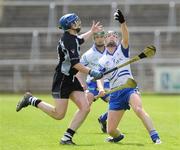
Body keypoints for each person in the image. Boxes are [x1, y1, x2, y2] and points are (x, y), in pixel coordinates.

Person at [16, 13, 104, 145]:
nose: (78, 23)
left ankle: (67, 137)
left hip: (71, 78)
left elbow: (80, 39)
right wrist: (92, 72)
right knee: (59, 115)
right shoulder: (68, 40)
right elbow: (76, 64)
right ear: (70, 26)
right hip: (62, 79)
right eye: (75, 22)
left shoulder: (72, 37)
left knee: (85, 107)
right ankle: (31, 99)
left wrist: (91, 32)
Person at [97, 9, 161, 144]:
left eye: (115, 35)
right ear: (104, 40)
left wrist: (122, 23)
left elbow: (125, 36)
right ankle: (118, 137)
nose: (112, 37)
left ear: (117, 39)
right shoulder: (102, 60)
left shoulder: (122, 50)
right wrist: (101, 88)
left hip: (129, 87)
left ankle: (155, 138)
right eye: (109, 35)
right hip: (115, 93)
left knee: (138, 109)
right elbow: (100, 77)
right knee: (111, 130)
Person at [76, 30, 109, 133]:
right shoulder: (88, 54)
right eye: (97, 37)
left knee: (119, 103)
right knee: (85, 105)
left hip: (107, 83)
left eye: (101, 36)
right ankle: (72, 129)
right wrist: (82, 83)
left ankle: (103, 119)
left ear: (105, 38)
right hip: (92, 83)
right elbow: (79, 70)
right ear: (94, 39)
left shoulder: (111, 52)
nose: (99, 39)